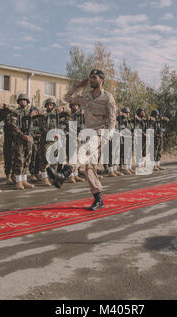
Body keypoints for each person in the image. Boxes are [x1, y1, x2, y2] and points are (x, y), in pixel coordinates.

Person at [50, 69, 117, 211]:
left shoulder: (108, 98)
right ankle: (99, 199)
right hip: (88, 133)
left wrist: (108, 136)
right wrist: (77, 86)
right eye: (90, 77)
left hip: (101, 134)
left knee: (84, 150)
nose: (91, 80)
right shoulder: (86, 97)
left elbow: (112, 119)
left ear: (101, 80)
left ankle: (64, 174)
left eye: (94, 77)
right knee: (89, 167)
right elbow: (67, 99)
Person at [5, 93, 35, 190]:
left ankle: (24, 180)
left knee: (27, 158)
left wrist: (35, 112)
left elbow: (42, 113)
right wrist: (22, 135)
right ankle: (18, 181)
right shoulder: (16, 112)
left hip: (29, 137)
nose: (23, 101)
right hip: (19, 138)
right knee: (19, 159)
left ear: (27, 101)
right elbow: (13, 125)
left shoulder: (31, 110)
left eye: (25, 100)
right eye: (21, 100)